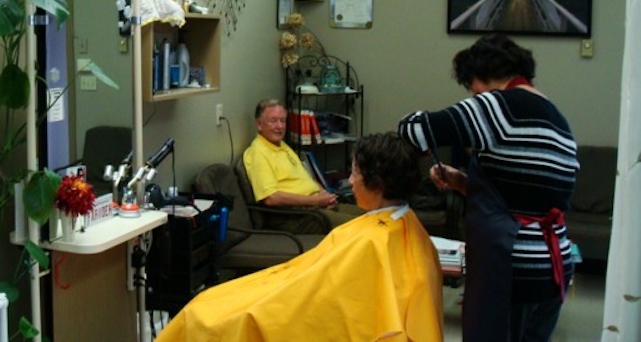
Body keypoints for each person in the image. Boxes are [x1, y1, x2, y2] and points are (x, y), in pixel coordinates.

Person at [156, 132, 444, 342]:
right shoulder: (405, 226)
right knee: (213, 300)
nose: (351, 181)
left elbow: (314, 301)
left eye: (355, 173)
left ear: (377, 182)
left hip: (295, 305)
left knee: (204, 314)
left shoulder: (371, 242)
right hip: (296, 284)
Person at [398, 33, 579, 341]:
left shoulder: (499, 107)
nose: (472, 97)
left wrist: (413, 122)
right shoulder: (556, 117)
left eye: (471, 88)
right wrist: (460, 182)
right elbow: (520, 196)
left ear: (479, 77)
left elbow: (414, 130)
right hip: (553, 265)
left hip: (511, 266)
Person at [243, 99, 363, 233]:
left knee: (370, 215)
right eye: (273, 121)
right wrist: (316, 201)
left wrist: (324, 194)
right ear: (259, 124)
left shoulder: (282, 146)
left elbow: (306, 178)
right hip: (296, 217)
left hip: (315, 207)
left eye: (282, 121)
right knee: (361, 226)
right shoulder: (258, 153)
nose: (280, 126)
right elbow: (271, 198)